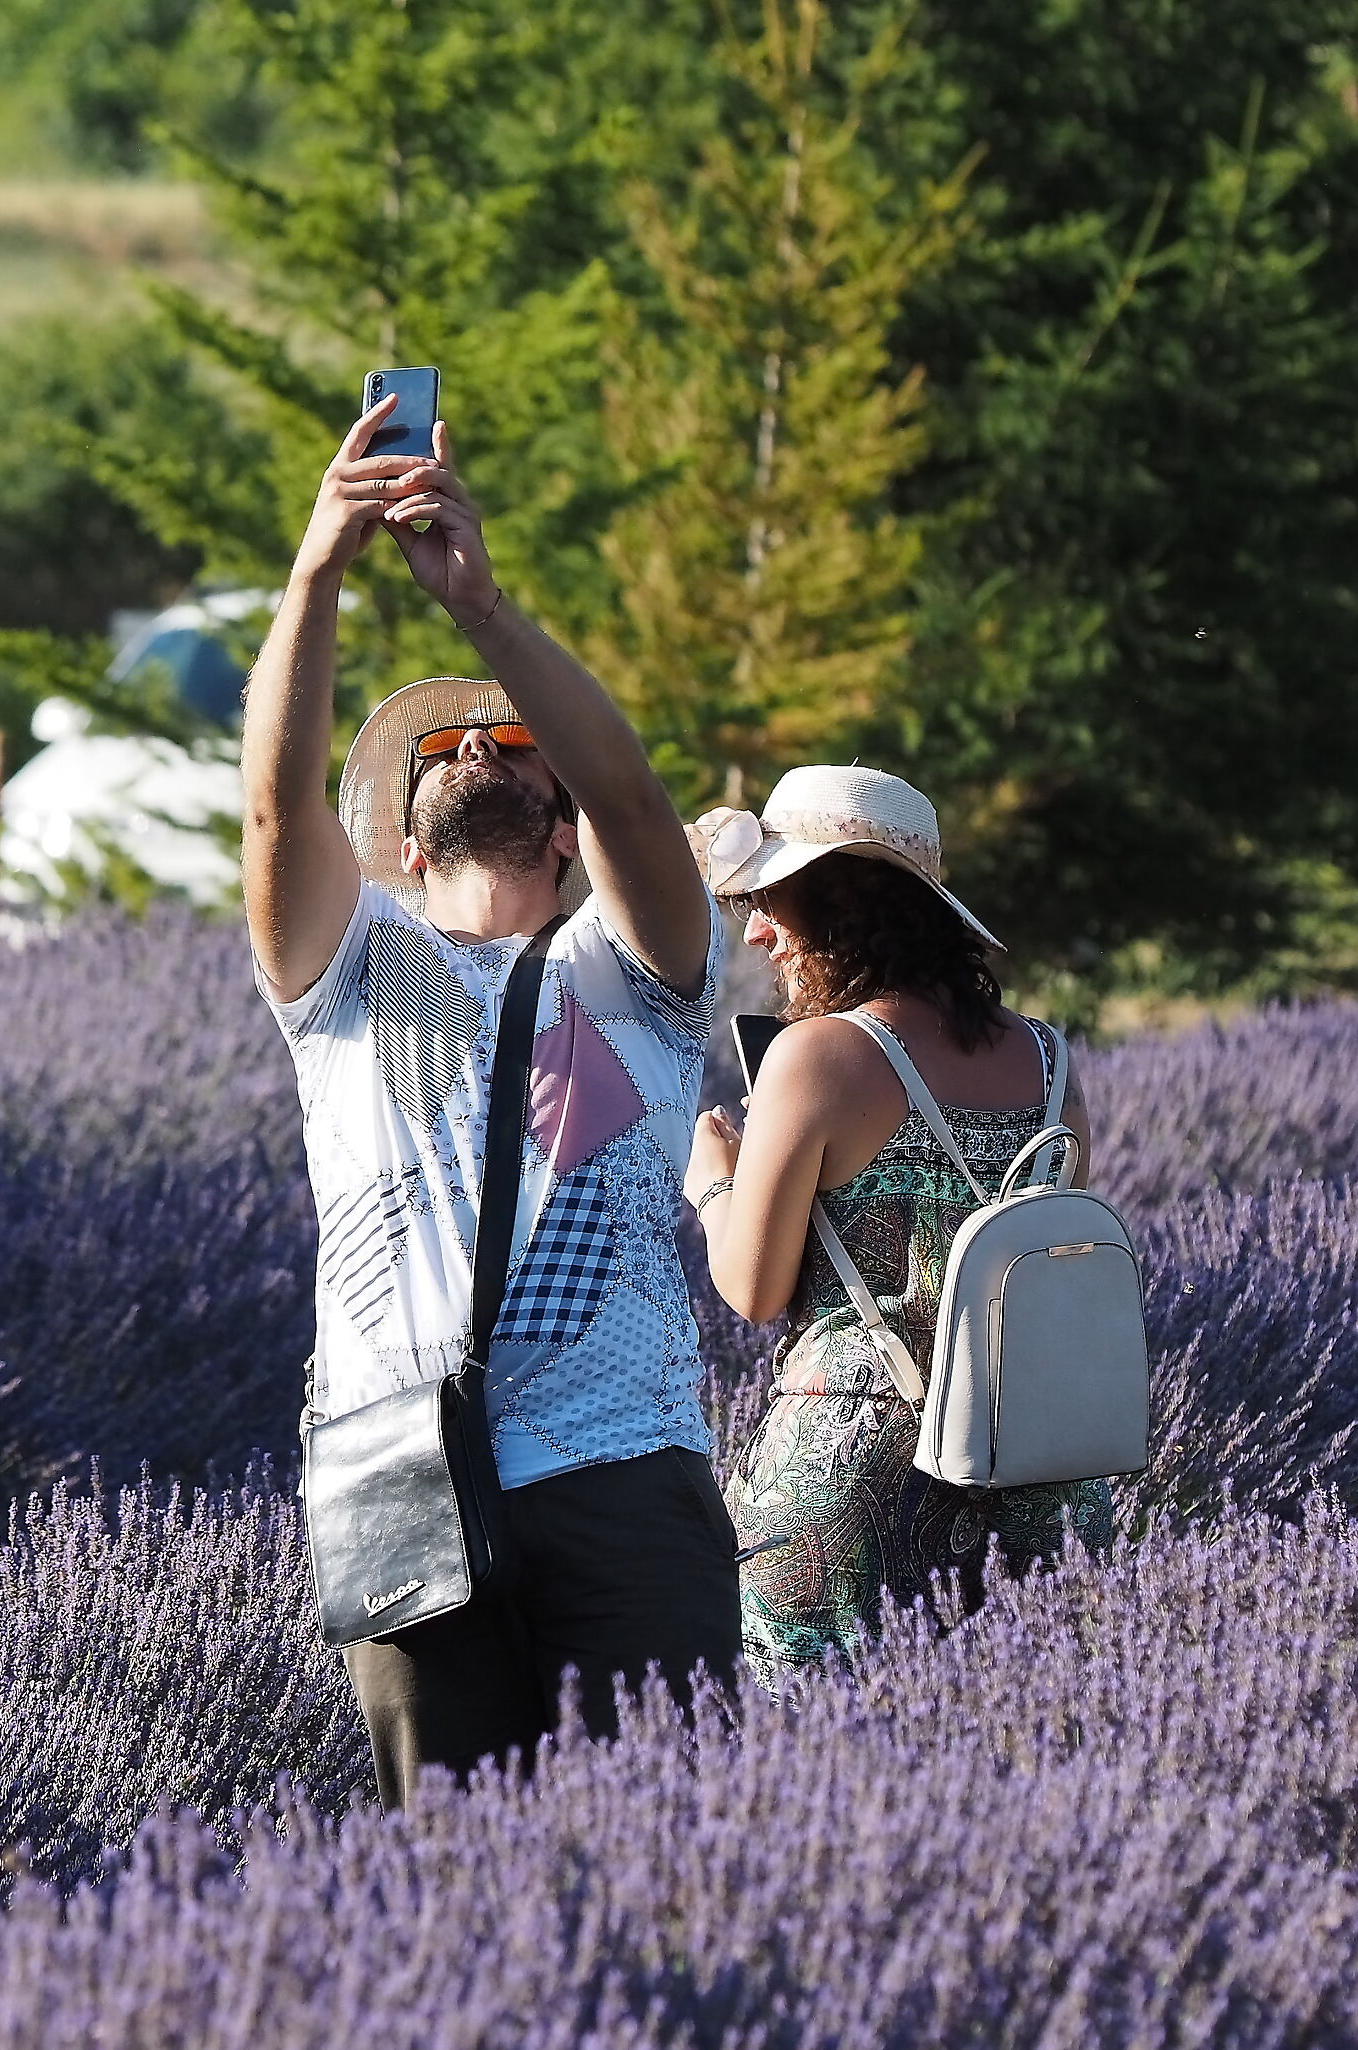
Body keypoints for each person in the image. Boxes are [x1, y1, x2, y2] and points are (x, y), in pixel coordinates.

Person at [243, 391, 739, 1805]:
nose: (478, 751)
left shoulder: (637, 967)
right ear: (398, 837)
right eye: (448, 752)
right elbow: (277, 812)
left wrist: (483, 613)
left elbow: (640, 800)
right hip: (399, 1469)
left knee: (670, 1859)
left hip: (622, 1469)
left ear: (567, 829)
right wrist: (316, 573)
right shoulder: (349, 971)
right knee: (457, 1892)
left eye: (515, 749)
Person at [682, 766, 1115, 1686]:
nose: (756, 932)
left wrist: (716, 1185)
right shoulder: (1049, 1061)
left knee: (814, 1793)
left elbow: (752, 1290)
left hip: (852, 1479)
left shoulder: (819, 1056)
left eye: (775, 903)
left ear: (841, 909)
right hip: (1033, 1477)